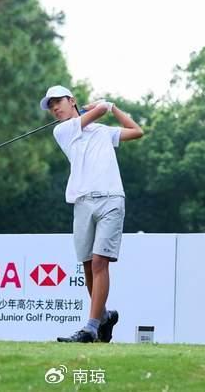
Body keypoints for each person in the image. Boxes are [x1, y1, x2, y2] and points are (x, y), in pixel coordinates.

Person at [39, 85, 144, 343]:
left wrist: (113, 107)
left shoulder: (102, 132)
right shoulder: (62, 131)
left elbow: (136, 131)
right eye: (51, 106)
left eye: (58, 102)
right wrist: (101, 105)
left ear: (72, 100)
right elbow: (97, 112)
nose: (54, 108)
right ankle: (104, 316)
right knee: (87, 266)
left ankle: (91, 328)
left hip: (111, 199)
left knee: (99, 263)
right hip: (82, 203)